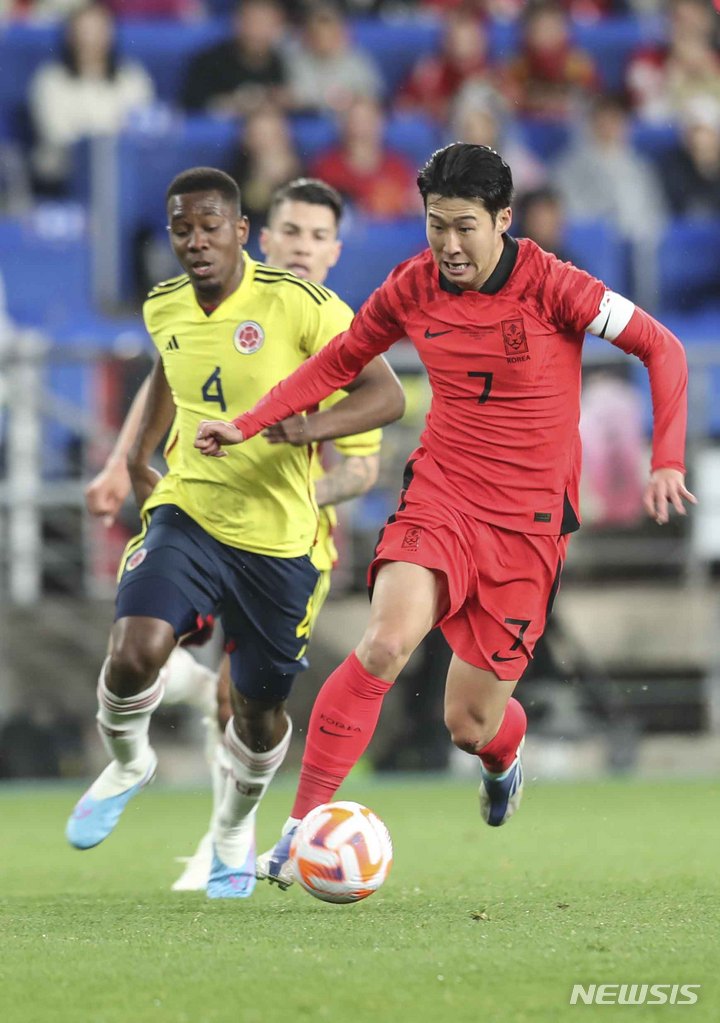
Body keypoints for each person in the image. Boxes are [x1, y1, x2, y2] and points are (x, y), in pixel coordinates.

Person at [195, 142, 695, 889]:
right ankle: (300, 830)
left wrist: (667, 458)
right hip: (443, 495)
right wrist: (250, 419)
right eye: (436, 226)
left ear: (503, 219)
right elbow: (337, 362)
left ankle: (500, 757)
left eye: (465, 227)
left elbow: (663, 346)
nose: (450, 245)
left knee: (470, 723)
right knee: (385, 643)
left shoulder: (558, 286)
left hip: (527, 525)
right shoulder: (412, 285)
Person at [67, 166, 405, 900]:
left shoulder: (315, 314)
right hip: (192, 512)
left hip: (286, 539)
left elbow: (373, 435)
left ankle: (231, 833)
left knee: (247, 708)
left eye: (320, 236)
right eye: (295, 231)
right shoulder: (169, 305)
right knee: (135, 648)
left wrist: (299, 442)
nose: (305, 246)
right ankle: (134, 763)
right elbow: (173, 369)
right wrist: (132, 459)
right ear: (268, 233)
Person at [28, 1, 155, 195]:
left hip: (123, 172)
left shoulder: (132, 76)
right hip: (67, 174)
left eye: (99, 29)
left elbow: (143, 126)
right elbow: (57, 135)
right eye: (84, 30)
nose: (91, 38)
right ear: (70, 35)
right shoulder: (50, 80)